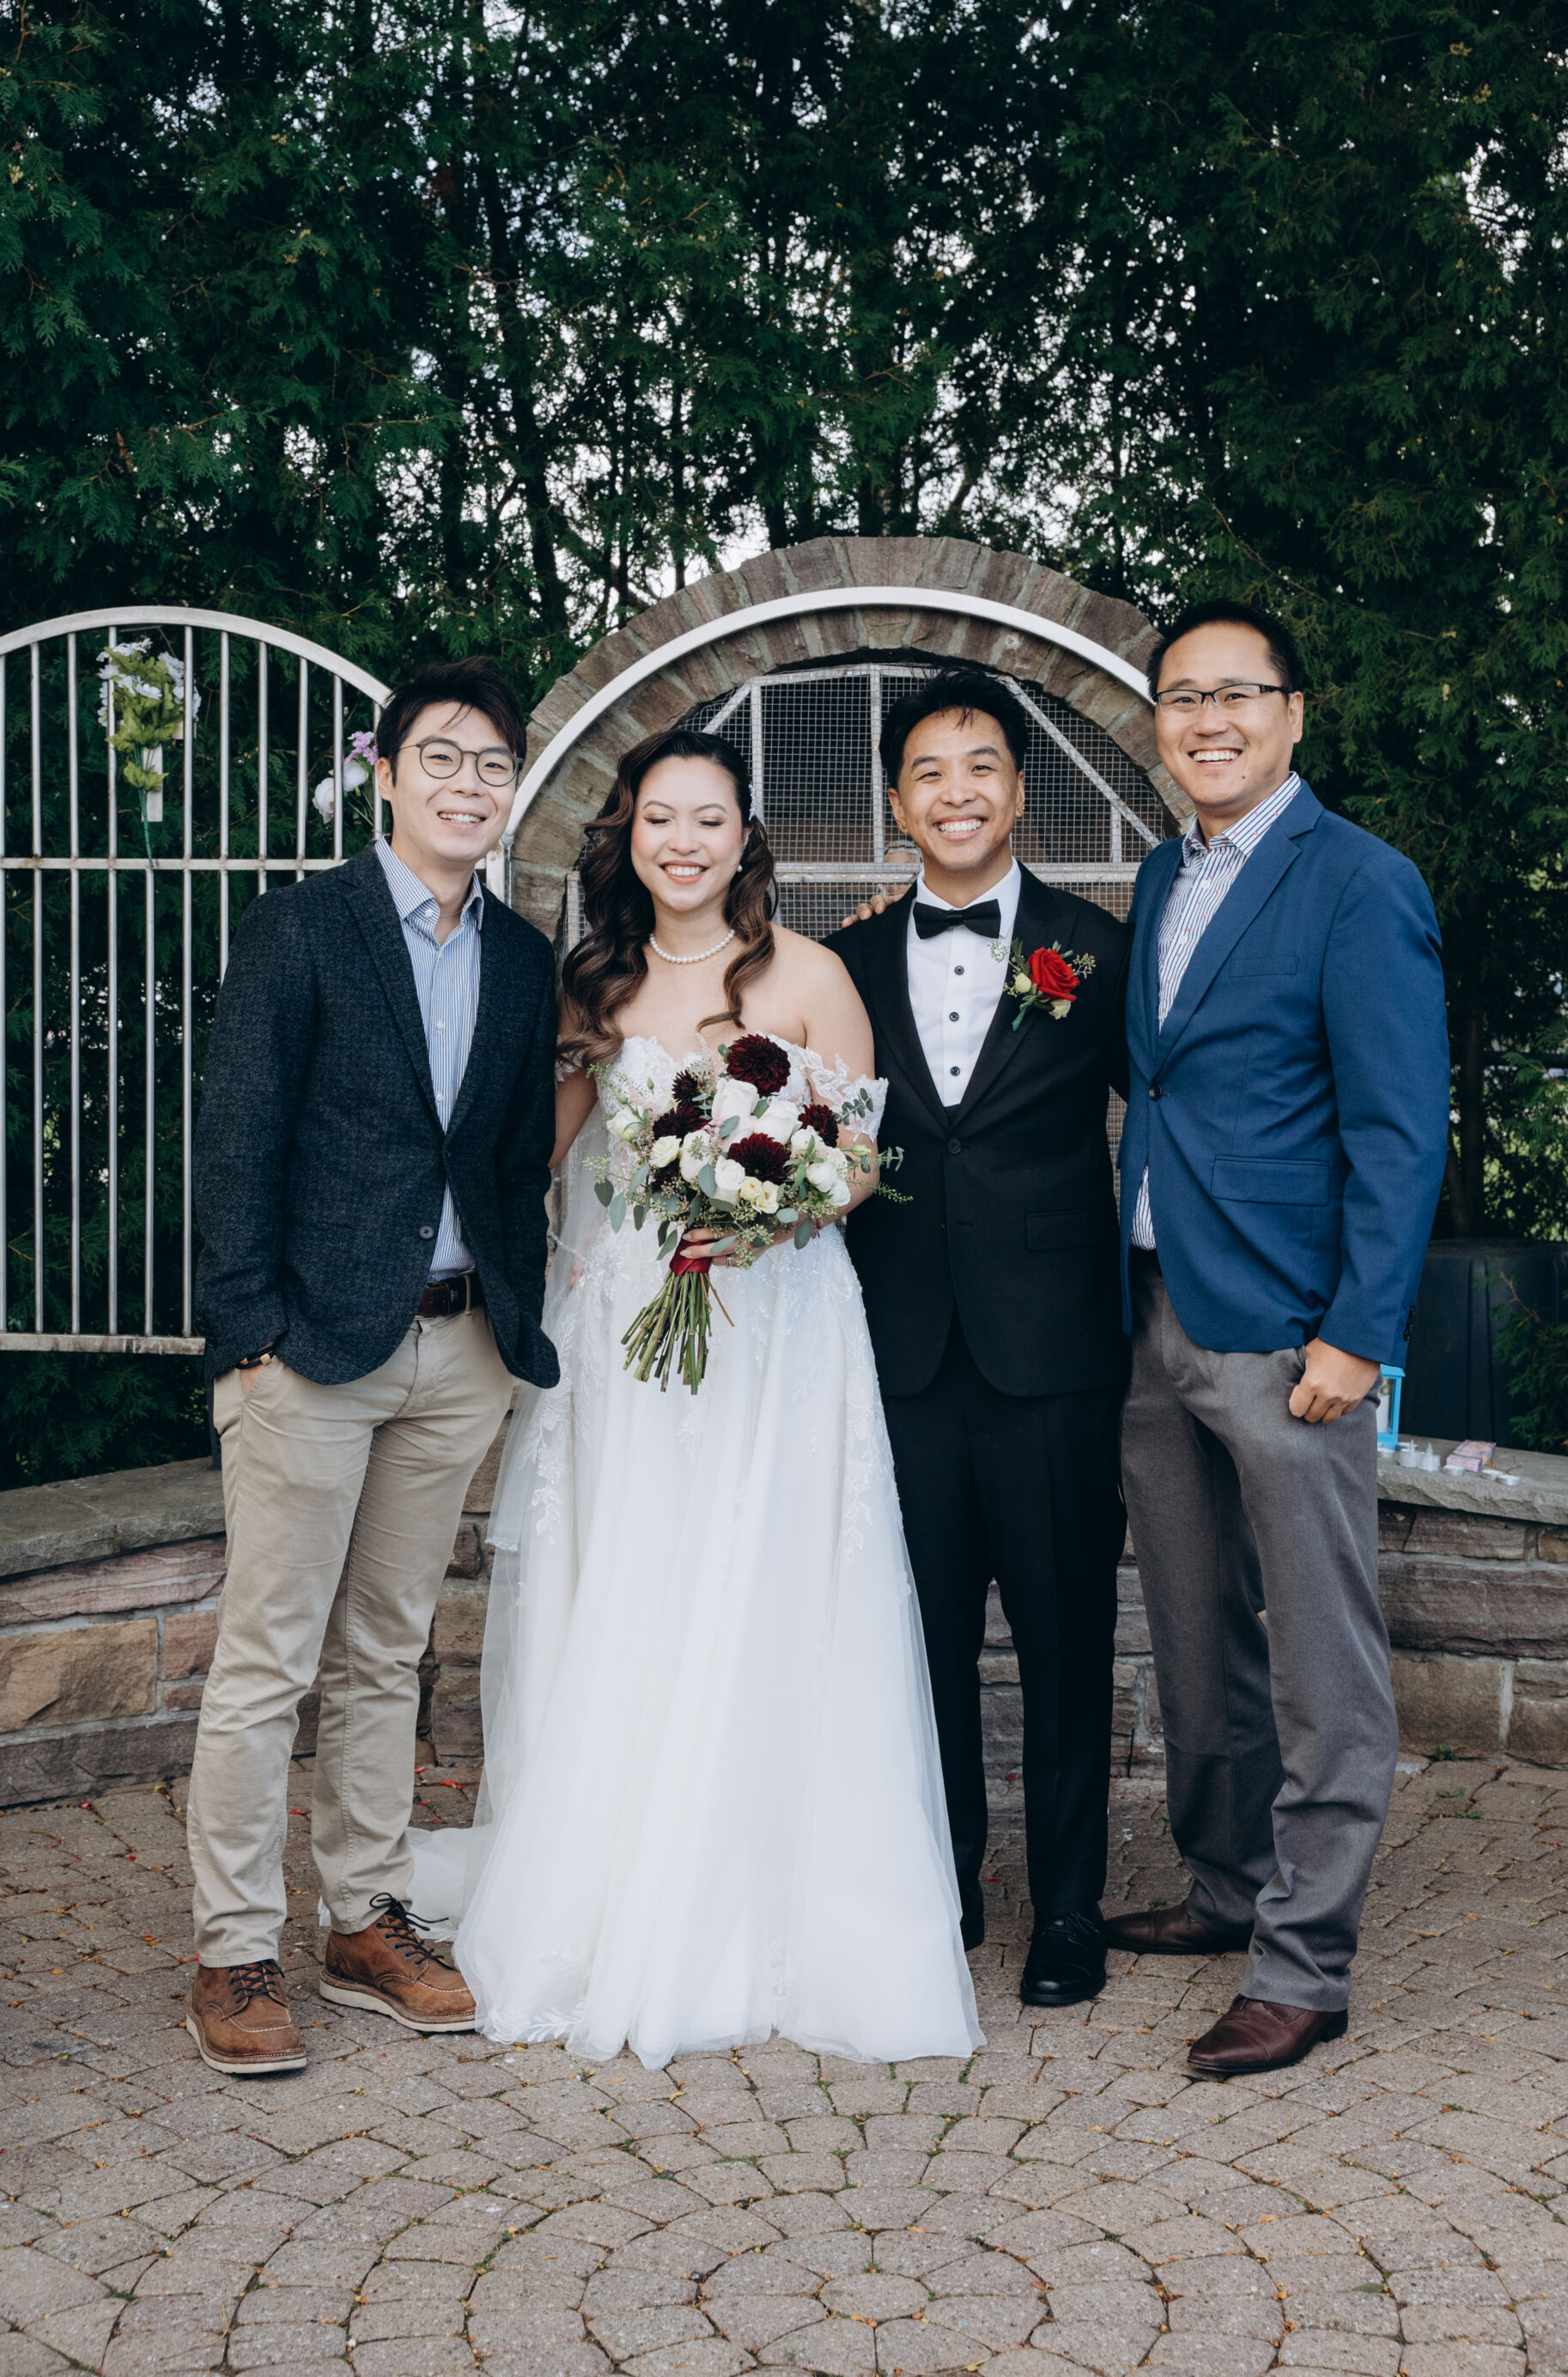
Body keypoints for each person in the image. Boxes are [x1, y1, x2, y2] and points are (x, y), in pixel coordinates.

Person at [411, 722, 981, 2070]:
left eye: (709, 818)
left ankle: (773, 1895)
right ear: (628, 836)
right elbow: (545, 1156)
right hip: (629, 1321)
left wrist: (770, 1209)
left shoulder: (810, 973)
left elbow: (857, 1160)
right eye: (659, 818)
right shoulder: (591, 986)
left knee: (771, 1574)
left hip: (778, 1328)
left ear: (744, 836)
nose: (683, 842)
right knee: (640, 1570)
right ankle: (617, 1878)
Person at [185, 658, 560, 2076]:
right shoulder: (303, 927)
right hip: (312, 1354)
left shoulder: (521, 958)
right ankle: (233, 1950)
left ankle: (363, 1919)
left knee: (389, 1648)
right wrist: (252, 1335)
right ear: (386, 775)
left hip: (459, 1352)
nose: (469, 784)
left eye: (492, 764)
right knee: (268, 1657)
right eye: (442, 758)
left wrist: (510, 1327)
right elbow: (236, 1140)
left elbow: (510, 1158)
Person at [1107, 598, 1449, 2077]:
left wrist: (1358, 1335)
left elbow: (1400, 1129)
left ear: (1293, 713)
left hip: (1290, 1335)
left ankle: (1305, 1965)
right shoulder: (1160, 876)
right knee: (1194, 1636)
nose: (1210, 719)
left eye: (1237, 693)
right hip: (1153, 1316)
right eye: (1184, 697)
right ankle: (1228, 1885)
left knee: (1322, 1660)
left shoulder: (1361, 882)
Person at [828, 669, 1131, 2009]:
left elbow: (1169, 1118)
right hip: (899, 1358)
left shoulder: (1097, 949)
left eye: (982, 767)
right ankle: (942, 1890)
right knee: (921, 1644)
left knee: (1067, 1643)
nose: (957, 793)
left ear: (1019, 789)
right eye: (930, 774)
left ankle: (1069, 1911)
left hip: (1054, 1356)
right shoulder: (840, 962)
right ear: (899, 805)